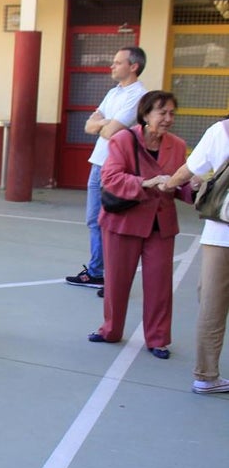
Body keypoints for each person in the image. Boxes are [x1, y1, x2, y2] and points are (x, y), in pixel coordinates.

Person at [87, 91, 190, 360]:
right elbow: (110, 177)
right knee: (117, 282)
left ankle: (157, 339)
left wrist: (195, 187)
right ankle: (110, 329)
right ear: (145, 115)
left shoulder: (177, 145)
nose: (168, 119)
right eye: (162, 113)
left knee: (159, 285)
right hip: (123, 221)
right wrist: (144, 183)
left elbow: (180, 183)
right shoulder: (123, 139)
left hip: (161, 223)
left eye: (172, 113)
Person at [65, 46, 148, 291]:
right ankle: (96, 271)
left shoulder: (139, 96)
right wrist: (103, 124)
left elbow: (111, 131)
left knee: (112, 223)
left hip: (116, 168)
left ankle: (113, 277)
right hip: (98, 163)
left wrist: (102, 125)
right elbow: (90, 125)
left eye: (117, 62)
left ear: (133, 66)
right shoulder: (113, 92)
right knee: (94, 220)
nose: (112, 66)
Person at [161, 117, 229, 392]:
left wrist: (166, 185)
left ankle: (206, 375)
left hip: (221, 232)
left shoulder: (221, 131)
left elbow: (187, 171)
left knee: (212, 305)